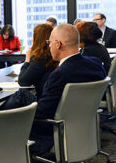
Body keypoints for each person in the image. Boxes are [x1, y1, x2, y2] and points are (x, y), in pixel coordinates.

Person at [31, 24, 107, 153]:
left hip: (54, 127)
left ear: (58, 44)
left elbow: (42, 112)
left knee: (19, 101)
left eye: (50, 42)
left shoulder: (59, 74)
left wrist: (19, 116)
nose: (48, 46)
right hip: (83, 125)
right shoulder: (96, 64)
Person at [17, 24, 57, 98]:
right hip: (52, 98)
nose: (32, 40)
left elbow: (23, 81)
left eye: (33, 36)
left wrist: (27, 59)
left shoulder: (41, 58)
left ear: (38, 39)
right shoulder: (53, 55)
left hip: (42, 101)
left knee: (20, 95)